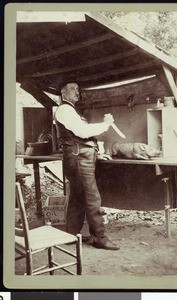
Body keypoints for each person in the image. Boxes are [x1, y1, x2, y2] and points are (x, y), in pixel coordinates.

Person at [54, 82, 119, 250]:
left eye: (78, 89)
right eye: (72, 89)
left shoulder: (70, 110)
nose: (77, 92)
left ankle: (70, 235)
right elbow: (83, 132)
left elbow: (81, 137)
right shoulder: (65, 110)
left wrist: (97, 152)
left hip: (78, 157)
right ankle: (100, 238)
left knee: (77, 197)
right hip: (79, 159)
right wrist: (105, 124)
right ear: (63, 93)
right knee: (92, 199)